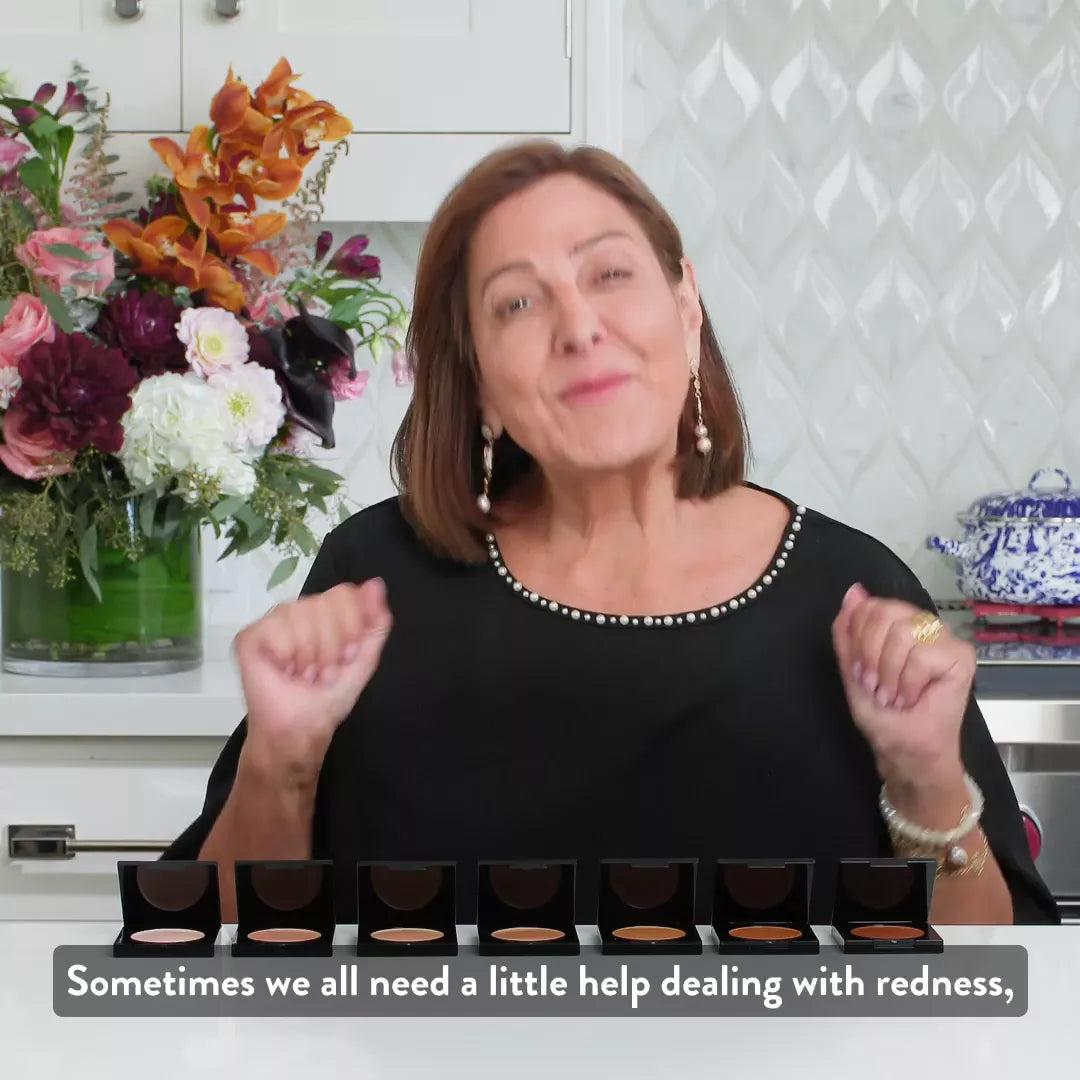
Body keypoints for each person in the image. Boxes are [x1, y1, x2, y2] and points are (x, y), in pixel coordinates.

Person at [163, 139, 1059, 928]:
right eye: (517, 303)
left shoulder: (855, 589)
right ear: (475, 380)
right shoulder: (372, 580)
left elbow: (993, 972)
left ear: (687, 302)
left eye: (611, 275)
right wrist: (283, 762)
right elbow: (217, 943)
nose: (580, 328)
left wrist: (926, 780)